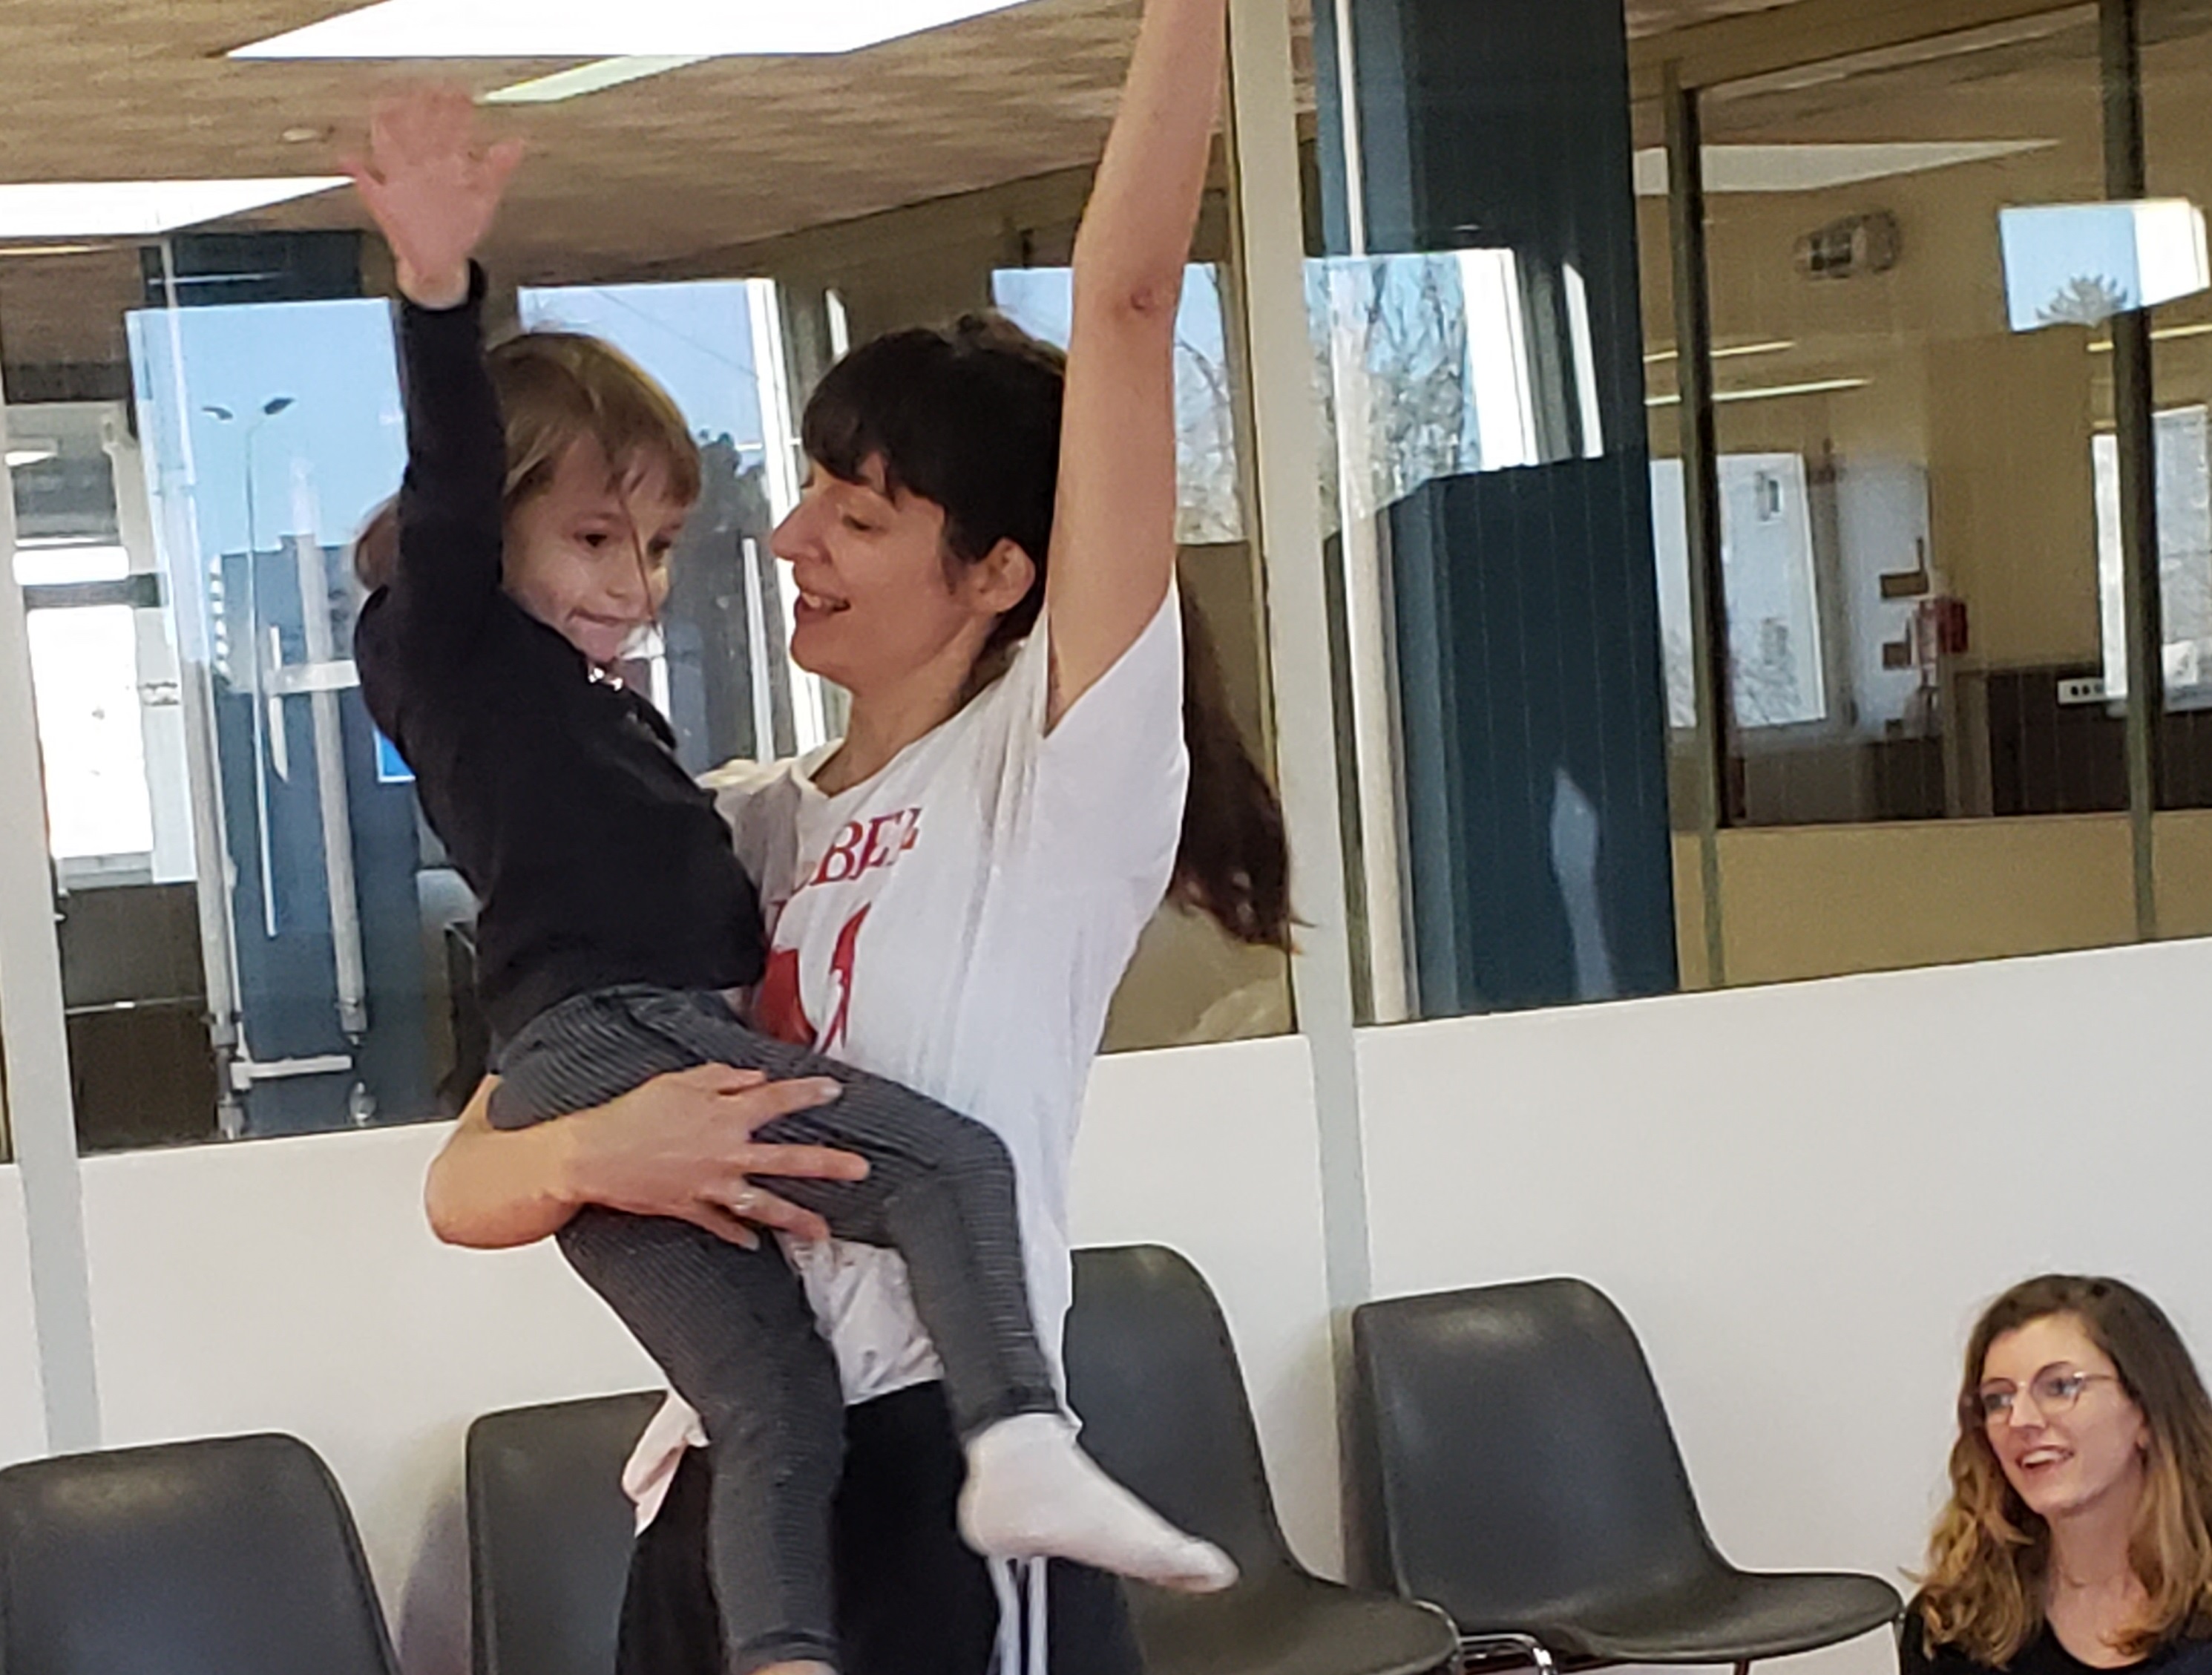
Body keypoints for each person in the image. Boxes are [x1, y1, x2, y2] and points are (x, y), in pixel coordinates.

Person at [348, 68, 1250, 1675]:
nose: (788, 540)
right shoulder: (736, 821)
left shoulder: (1050, 783)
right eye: (808, 496)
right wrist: (605, 1149)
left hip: (928, 1473)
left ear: (993, 574)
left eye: (857, 512)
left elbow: (1120, 309)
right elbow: (464, 1182)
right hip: (722, 1471)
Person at [1903, 1276, 2212, 1675]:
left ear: (2146, 1412)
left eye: (2061, 1387)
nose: (2021, 1420)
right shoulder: (1954, 1626)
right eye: (1998, 1399)